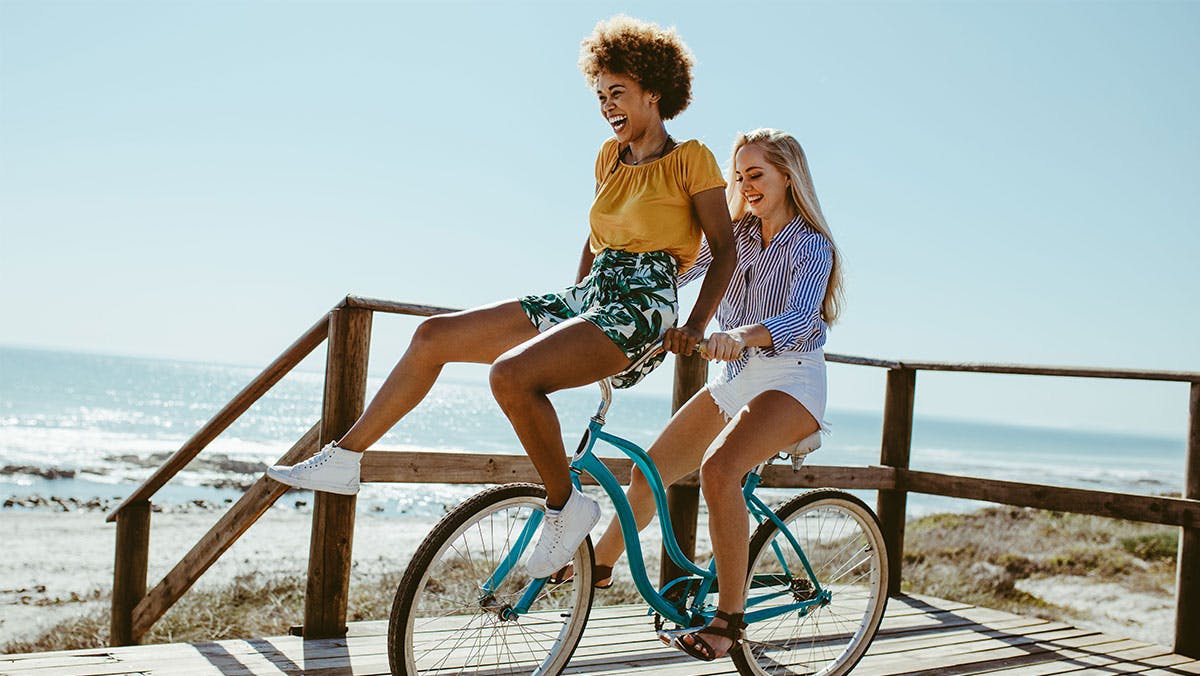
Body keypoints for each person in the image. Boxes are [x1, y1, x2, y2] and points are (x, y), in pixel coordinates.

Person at [266, 16, 735, 580]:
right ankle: (345, 458)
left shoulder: (692, 158)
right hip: (594, 292)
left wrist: (696, 325)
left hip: (644, 307)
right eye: (600, 95)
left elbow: (725, 250)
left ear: (654, 90)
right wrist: (576, 302)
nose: (608, 105)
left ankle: (568, 506)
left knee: (510, 376)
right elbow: (593, 240)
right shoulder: (608, 159)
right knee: (432, 336)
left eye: (619, 93)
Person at [550, 128, 844, 661]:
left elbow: (804, 319)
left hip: (790, 379)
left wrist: (741, 335)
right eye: (739, 176)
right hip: (733, 382)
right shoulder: (736, 238)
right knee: (648, 473)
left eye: (757, 174)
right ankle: (598, 568)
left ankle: (730, 619)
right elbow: (681, 269)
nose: (746, 185)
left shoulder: (811, 244)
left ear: (788, 176)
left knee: (718, 471)